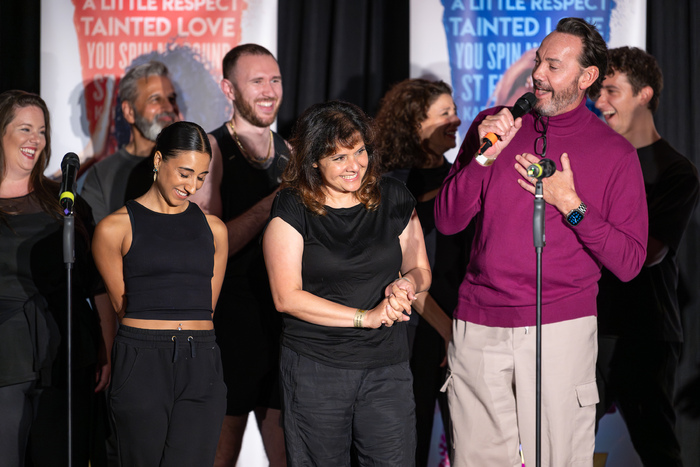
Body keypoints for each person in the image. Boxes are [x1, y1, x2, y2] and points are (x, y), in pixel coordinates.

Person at [434, 18, 648, 467]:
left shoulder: (615, 154)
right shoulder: (492, 127)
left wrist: (571, 204)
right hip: (479, 326)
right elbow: (448, 221)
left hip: (561, 329)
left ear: (587, 77)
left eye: (554, 65)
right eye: (538, 63)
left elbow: (629, 262)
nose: (538, 75)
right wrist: (484, 156)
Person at [262, 100, 432, 465]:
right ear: (313, 162)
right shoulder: (292, 207)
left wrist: (406, 286)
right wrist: (364, 317)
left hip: (387, 367)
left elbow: (420, 269)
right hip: (316, 368)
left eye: (359, 152)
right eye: (339, 158)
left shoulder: (394, 197)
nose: (354, 166)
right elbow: (286, 297)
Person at [92, 121, 228, 466]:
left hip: (201, 364)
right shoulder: (113, 229)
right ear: (157, 161)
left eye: (201, 177)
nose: (192, 186)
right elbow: (124, 306)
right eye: (185, 173)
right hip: (142, 362)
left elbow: (206, 307)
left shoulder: (215, 230)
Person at [594, 46, 700, 466]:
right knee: (566, 441)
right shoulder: (593, 161)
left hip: (646, 332)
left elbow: (647, 253)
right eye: (597, 92)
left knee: (657, 447)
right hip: (590, 326)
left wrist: (580, 216)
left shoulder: (676, 171)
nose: (599, 102)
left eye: (610, 91)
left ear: (644, 94)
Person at [0, 90, 113, 466]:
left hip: (66, 354)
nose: (36, 139)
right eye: (25, 129)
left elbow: (96, 284)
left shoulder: (65, 202)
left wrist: (106, 348)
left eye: (42, 131)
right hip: (6, 358)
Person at [189, 43, 288, 466]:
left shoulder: (292, 153)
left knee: (289, 454)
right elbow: (207, 247)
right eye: (257, 81)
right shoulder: (210, 151)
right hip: (229, 324)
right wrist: (274, 202)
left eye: (275, 80)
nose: (269, 91)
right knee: (220, 454)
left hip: (284, 322)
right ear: (229, 89)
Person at [374, 78, 467, 466]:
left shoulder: (462, 177)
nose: (456, 120)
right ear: (415, 124)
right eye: (444, 113)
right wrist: (448, 332)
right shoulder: (392, 186)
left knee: (470, 448)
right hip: (415, 332)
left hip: (463, 331)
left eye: (454, 110)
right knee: (407, 448)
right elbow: (402, 272)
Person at [81, 60, 180, 223]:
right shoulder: (102, 175)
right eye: (156, 99)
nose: (169, 108)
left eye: (171, 99)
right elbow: (97, 241)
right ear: (129, 111)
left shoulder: (190, 165)